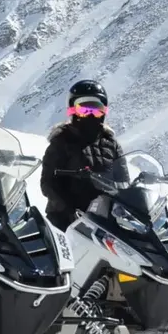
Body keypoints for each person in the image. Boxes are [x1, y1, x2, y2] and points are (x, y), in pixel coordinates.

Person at [40, 79, 124, 231]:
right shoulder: (61, 141)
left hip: (104, 221)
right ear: (73, 110)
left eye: (96, 109)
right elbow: (47, 183)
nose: (90, 114)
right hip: (66, 221)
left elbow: (123, 181)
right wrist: (69, 210)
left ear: (104, 111)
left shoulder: (111, 144)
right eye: (84, 110)